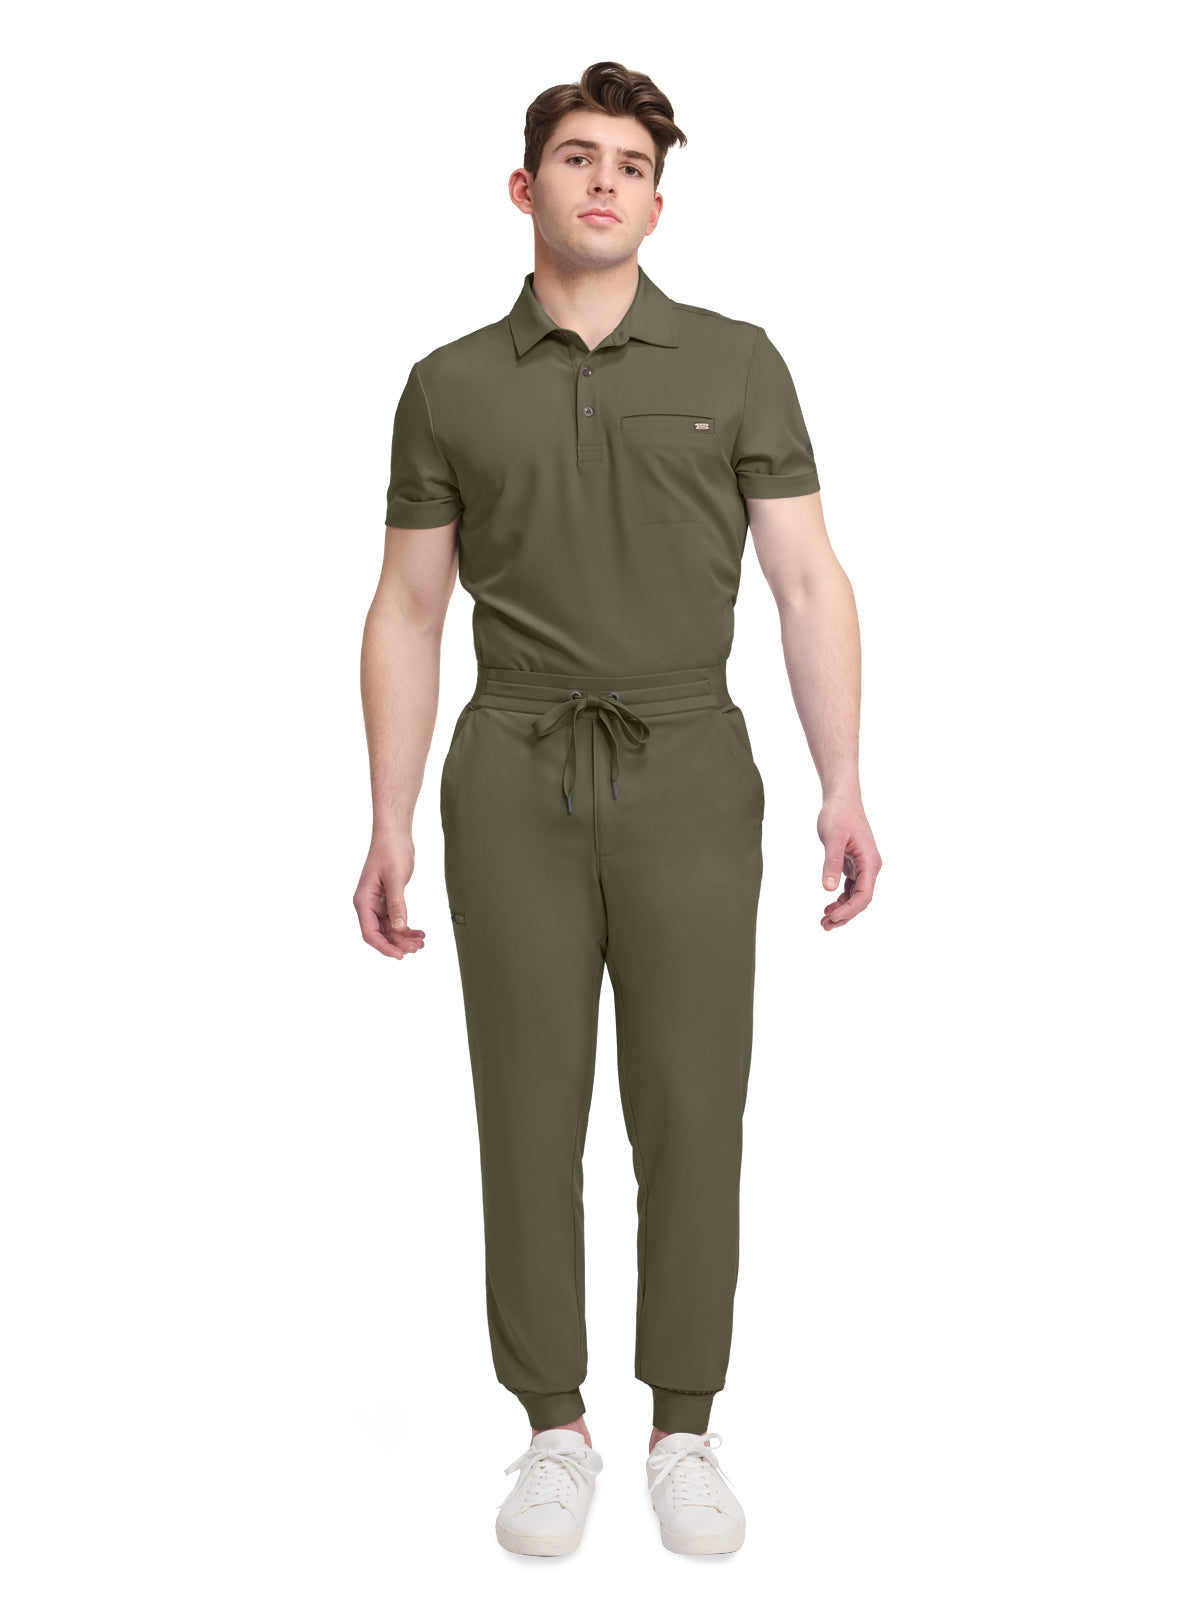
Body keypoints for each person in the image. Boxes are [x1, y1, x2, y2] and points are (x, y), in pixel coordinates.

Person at [354, 59, 881, 1557]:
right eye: (579, 158)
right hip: (512, 765)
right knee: (526, 1109)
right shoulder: (449, 384)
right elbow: (408, 607)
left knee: (693, 1105)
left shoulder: (736, 364)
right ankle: (552, 1429)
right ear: (526, 188)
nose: (605, 182)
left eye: (633, 165)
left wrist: (845, 779)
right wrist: (389, 819)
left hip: (689, 761)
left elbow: (806, 581)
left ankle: (686, 1426)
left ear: (658, 202)